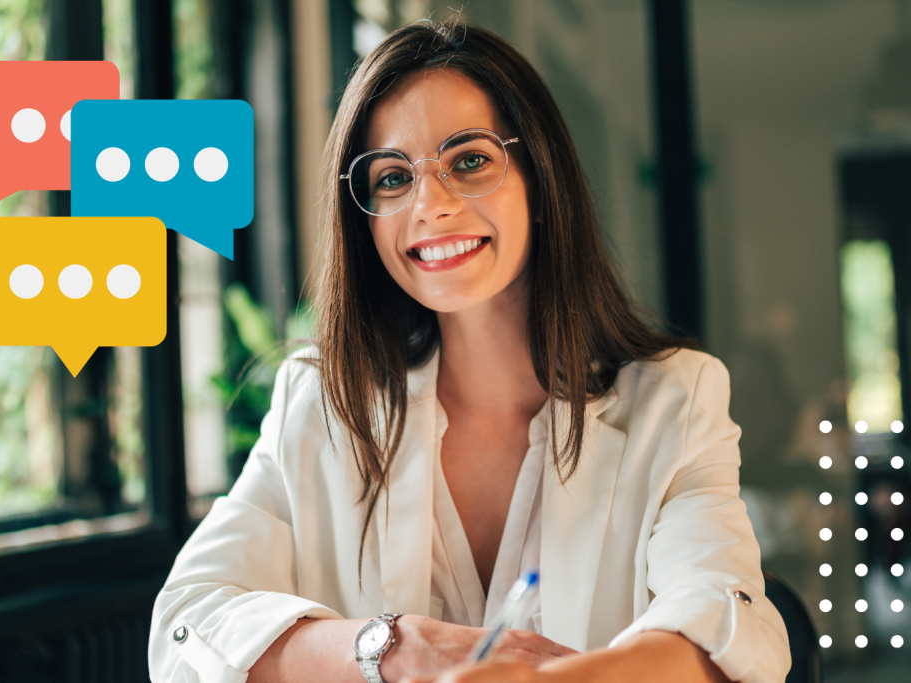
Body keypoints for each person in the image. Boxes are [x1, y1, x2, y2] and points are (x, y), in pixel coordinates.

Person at [148, 18, 790, 683]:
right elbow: (184, 627)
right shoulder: (319, 400)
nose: (431, 205)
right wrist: (396, 649)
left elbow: (728, 629)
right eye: (393, 178)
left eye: (470, 160)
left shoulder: (676, 398)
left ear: (539, 181)